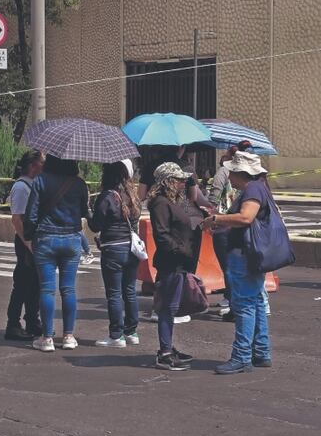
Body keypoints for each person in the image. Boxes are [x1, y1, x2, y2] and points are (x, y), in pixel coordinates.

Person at [202, 151, 275, 374]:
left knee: (244, 305)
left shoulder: (252, 190)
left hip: (244, 255)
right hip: (251, 254)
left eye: (231, 170)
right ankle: (261, 352)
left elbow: (246, 217)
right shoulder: (258, 188)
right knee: (256, 303)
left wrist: (217, 219)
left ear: (240, 173)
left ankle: (242, 356)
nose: (228, 174)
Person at [24, 155, 90, 352]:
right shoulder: (79, 184)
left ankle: (47, 338)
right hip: (71, 238)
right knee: (68, 289)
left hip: (46, 238)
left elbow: (31, 214)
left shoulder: (40, 181)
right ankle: (69, 336)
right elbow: (83, 211)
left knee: (47, 289)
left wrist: (29, 235)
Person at [147, 162, 197, 371]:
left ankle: (167, 348)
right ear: (168, 181)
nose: (183, 183)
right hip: (171, 262)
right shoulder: (161, 203)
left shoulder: (171, 201)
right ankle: (165, 353)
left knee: (171, 308)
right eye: (178, 180)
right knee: (167, 309)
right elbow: (162, 234)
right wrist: (181, 249)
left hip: (178, 262)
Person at [89, 160, 142, 348]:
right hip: (131, 249)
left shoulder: (107, 197)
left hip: (113, 249)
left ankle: (116, 335)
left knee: (114, 293)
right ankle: (131, 332)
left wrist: (89, 211)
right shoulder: (132, 196)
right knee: (130, 291)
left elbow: (95, 225)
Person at [208, 140, 255, 319]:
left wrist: (212, 217)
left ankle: (233, 302)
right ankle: (235, 301)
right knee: (237, 267)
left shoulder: (224, 172)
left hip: (225, 222)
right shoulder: (254, 180)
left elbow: (214, 196)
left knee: (229, 266)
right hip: (238, 226)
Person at [5, 151, 44, 341]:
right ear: (33, 166)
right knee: (22, 283)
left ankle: (32, 320)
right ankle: (13, 323)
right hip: (25, 241)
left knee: (35, 284)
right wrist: (28, 244)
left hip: (34, 240)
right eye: (41, 163)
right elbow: (17, 219)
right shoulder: (21, 187)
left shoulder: (32, 185)